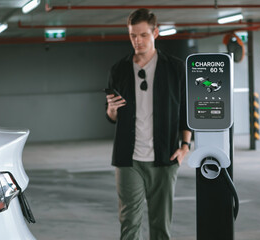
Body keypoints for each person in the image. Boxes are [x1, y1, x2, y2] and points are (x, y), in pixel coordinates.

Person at [105, 8, 192, 240]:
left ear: (156, 32)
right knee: (129, 223)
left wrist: (185, 147)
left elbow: (185, 111)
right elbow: (112, 116)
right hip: (128, 158)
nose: (137, 41)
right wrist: (111, 110)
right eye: (133, 35)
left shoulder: (175, 68)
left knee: (161, 224)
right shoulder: (120, 69)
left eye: (143, 35)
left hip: (165, 157)